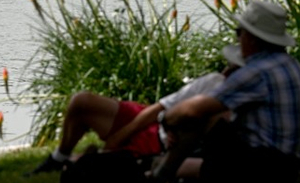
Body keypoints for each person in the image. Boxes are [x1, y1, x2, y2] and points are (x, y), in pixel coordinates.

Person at [150, 0, 300, 183]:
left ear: (251, 38)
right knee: (216, 117)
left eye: (239, 32)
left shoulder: (256, 72)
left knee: (198, 117)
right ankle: (163, 172)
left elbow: (194, 110)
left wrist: (166, 120)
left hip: (263, 170)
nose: (238, 39)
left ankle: (161, 176)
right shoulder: (289, 63)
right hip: (288, 168)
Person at [28, 46, 245, 174]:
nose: (227, 69)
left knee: (88, 165)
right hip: (150, 122)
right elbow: (160, 107)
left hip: (159, 146)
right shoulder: (214, 81)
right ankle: (59, 156)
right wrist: (123, 134)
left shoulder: (243, 106)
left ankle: (74, 160)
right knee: (81, 102)